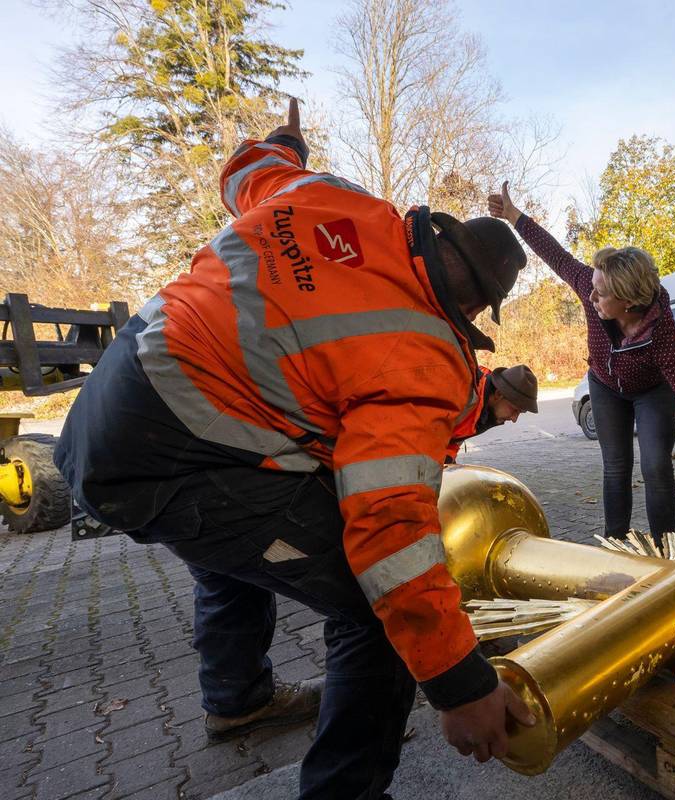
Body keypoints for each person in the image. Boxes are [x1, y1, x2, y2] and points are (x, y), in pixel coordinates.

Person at [55, 99, 534, 799]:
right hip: (172, 460)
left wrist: (288, 142)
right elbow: (388, 531)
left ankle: (238, 698)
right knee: (376, 609)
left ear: (436, 230)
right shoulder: (423, 353)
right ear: (473, 311)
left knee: (235, 543)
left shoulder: (330, 196)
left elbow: (248, 168)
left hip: (105, 410)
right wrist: (458, 682)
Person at [487, 182, 675, 543]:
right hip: (605, 387)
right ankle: (616, 544)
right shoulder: (591, 287)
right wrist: (514, 216)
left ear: (629, 302)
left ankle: (665, 550)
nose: (590, 296)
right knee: (616, 467)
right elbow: (557, 256)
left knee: (656, 466)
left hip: (653, 392)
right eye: (592, 287)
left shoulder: (662, 334)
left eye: (600, 293)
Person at [446, 364, 539, 462]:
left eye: (521, 412)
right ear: (498, 394)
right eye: (514, 410)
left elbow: (455, 437)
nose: (514, 419)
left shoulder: (486, 410)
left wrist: (448, 459)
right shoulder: (463, 394)